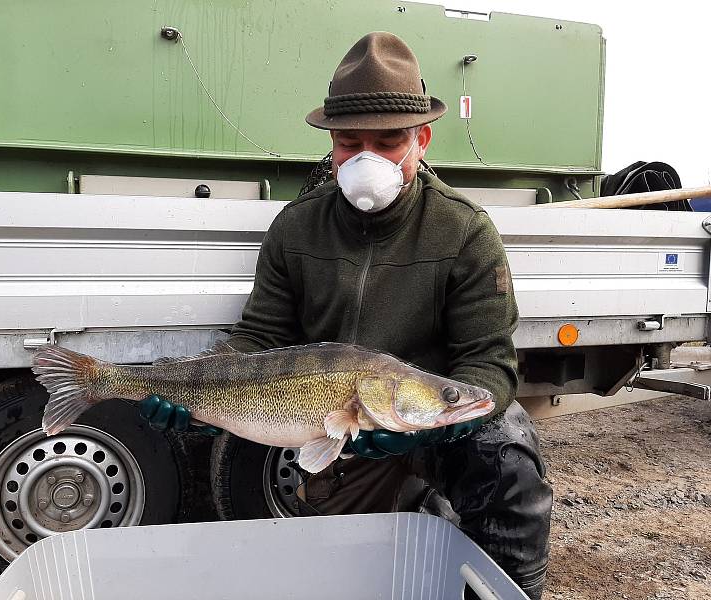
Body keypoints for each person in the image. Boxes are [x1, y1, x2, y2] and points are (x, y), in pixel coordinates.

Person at [141, 31, 552, 599]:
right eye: (349, 142)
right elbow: (259, 337)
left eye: (387, 142)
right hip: (347, 428)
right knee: (346, 572)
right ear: (330, 145)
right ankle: (411, 508)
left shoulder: (464, 230)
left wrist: (451, 415)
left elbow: (490, 364)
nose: (367, 158)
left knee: (506, 456)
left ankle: (507, 589)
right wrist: (195, 390)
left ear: (422, 139)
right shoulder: (295, 228)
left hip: (435, 415)